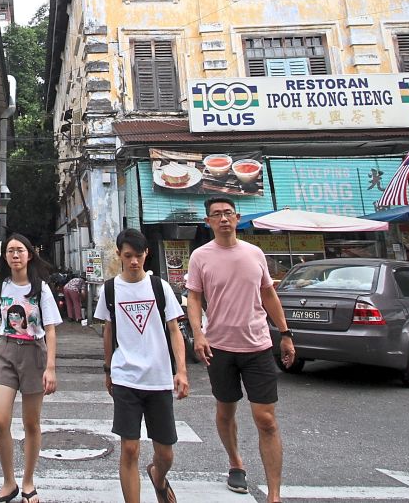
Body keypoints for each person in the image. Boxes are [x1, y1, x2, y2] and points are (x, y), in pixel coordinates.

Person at [186, 197, 296, 503]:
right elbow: (194, 298)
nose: (223, 219)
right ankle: (236, 462)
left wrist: (285, 334)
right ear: (207, 221)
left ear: (238, 217)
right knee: (225, 409)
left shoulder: (254, 253)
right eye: (216, 215)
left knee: (266, 419)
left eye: (228, 213)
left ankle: (274, 494)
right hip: (219, 347)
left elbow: (269, 294)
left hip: (257, 346)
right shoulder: (200, 257)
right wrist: (198, 334)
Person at [95, 229, 189, 503]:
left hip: (159, 378)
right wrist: (108, 369)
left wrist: (181, 370)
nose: (134, 261)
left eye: (138, 255)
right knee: (130, 449)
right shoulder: (110, 289)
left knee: (165, 453)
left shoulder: (160, 287)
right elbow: (108, 331)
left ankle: (158, 476)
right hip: (126, 377)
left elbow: (174, 329)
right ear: (119, 255)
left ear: (146, 253)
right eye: (128, 256)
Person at [0, 233, 62, 503]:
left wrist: (51, 367)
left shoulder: (41, 288)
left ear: (29, 255)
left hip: (35, 353)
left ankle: (28, 482)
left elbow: (51, 331)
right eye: (10, 251)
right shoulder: (0, 288)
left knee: (31, 423)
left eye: (19, 250)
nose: (15, 255)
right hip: (7, 352)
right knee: (0, 421)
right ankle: (8, 482)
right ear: (5, 257)